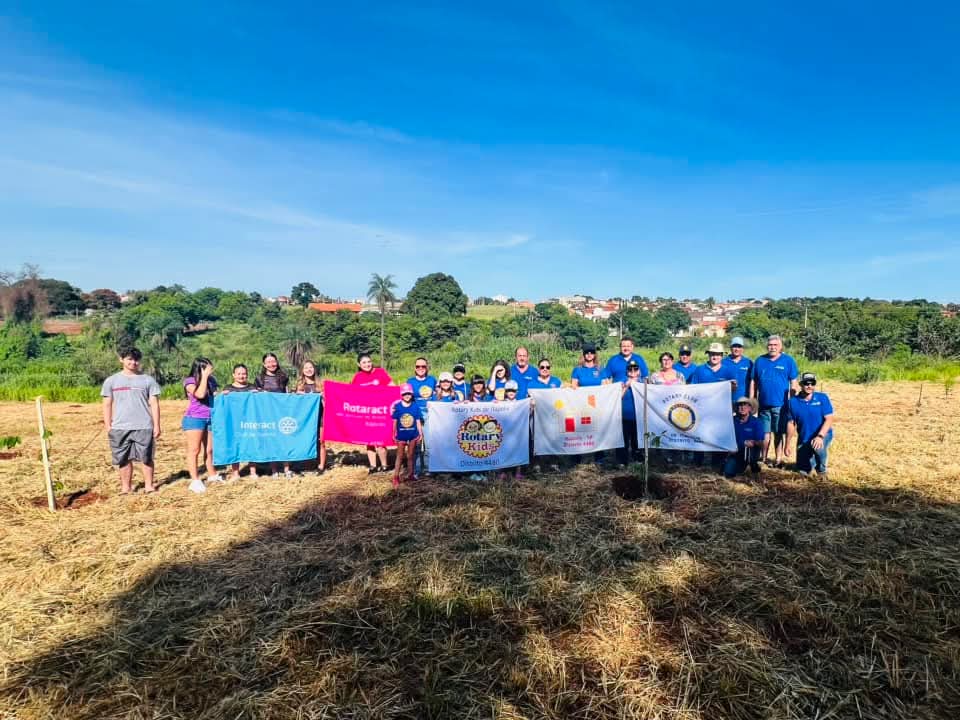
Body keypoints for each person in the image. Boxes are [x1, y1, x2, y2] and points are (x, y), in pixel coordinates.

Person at [101, 347, 161, 495]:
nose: (133, 362)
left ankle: (149, 486)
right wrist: (108, 425)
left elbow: (154, 403)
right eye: (129, 359)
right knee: (123, 459)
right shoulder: (111, 381)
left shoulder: (148, 380)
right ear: (121, 359)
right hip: (120, 427)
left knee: (146, 458)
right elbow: (107, 404)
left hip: (144, 426)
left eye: (136, 360)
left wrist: (157, 425)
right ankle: (126, 488)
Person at [751, 335, 800, 467]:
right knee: (765, 434)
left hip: (781, 405)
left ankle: (778, 460)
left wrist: (792, 402)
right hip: (763, 405)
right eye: (770, 345)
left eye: (775, 345)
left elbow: (793, 383)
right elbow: (753, 381)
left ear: (780, 347)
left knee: (778, 433)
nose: (772, 347)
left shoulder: (788, 361)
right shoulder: (760, 361)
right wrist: (752, 400)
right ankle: (764, 458)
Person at [688, 343, 738, 468]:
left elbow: (734, 389)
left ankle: (717, 463)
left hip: (720, 411)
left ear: (722, 356)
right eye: (712, 354)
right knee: (700, 436)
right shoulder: (699, 370)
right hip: (702, 410)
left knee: (718, 436)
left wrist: (733, 387)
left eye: (717, 354)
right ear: (708, 355)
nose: (714, 357)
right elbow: (693, 389)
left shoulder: (728, 371)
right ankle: (697, 462)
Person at [182, 357, 222, 494]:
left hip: (210, 418)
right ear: (201, 368)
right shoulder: (190, 381)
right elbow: (200, 394)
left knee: (210, 449)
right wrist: (204, 377)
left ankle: (212, 475)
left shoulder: (212, 380)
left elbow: (215, 396)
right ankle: (195, 480)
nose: (211, 371)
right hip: (195, 418)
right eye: (208, 368)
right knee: (194, 450)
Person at [785, 372, 835, 477]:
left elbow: (829, 419)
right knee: (802, 471)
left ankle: (821, 471)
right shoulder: (792, 402)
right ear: (800, 384)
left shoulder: (822, 398)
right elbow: (791, 424)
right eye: (806, 383)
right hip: (804, 437)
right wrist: (787, 444)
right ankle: (810, 461)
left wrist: (820, 436)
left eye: (812, 383)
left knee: (818, 447)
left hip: (822, 434)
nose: (809, 386)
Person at [351, 352, 394, 473]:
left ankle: (385, 465)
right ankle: (373, 466)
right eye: (364, 362)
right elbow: (351, 394)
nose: (367, 364)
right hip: (366, 413)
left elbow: (392, 387)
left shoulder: (380, 372)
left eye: (369, 362)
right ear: (359, 364)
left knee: (380, 440)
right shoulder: (357, 377)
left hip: (380, 412)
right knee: (369, 441)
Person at [255, 353, 292, 478]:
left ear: (277, 362)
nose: (271, 364)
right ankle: (274, 469)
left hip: (282, 413)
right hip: (267, 414)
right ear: (264, 364)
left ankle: (287, 468)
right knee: (271, 440)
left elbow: (288, 394)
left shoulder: (283, 376)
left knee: (285, 440)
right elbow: (256, 397)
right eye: (268, 362)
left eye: (273, 361)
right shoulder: (259, 379)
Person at [220, 364, 259, 481]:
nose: (242, 376)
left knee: (251, 444)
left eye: (244, 374)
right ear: (234, 375)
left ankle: (253, 472)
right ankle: (236, 473)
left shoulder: (252, 387)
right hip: (234, 423)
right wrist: (223, 396)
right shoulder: (228, 388)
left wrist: (257, 394)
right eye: (239, 374)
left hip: (250, 421)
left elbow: (259, 403)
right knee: (234, 445)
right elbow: (223, 406)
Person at [295, 360, 327, 474]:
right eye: (306, 368)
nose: (309, 370)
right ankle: (308, 464)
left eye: (311, 367)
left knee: (322, 442)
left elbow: (327, 403)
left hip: (321, 416)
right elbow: (296, 405)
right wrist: (299, 395)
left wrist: (323, 398)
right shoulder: (300, 386)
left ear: (314, 369)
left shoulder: (321, 384)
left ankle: (321, 466)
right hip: (307, 419)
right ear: (302, 371)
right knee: (307, 440)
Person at [407, 357, 436, 475]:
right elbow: (406, 398)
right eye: (418, 366)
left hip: (430, 413)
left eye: (423, 366)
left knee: (429, 442)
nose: (420, 369)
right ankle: (416, 469)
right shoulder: (410, 381)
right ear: (414, 368)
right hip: (415, 414)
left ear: (427, 367)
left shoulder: (432, 380)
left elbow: (438, 394)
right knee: (416, 442)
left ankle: (428, 467)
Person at [390, 383, 423, 486]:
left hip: (413, 434)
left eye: (409, 394)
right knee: (399, 456)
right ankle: (396, 477)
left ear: (412, 394)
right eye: (405, 394)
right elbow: (395, 421)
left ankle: (410, 474)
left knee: (410, 456)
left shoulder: (415, 406)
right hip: (401, 436)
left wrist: (420, 433)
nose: (407, 396)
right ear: (401, 395)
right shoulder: (398, 406)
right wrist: (393, 433)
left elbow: (417, 421)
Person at [724, 397, 764, 479]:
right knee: (728, 473)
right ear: (737, 408)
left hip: (751, 452)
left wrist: (753, 443)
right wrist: (743, 443)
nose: (742, 407)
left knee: (752, 457)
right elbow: (726, 438)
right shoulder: (731, 421)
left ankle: (753, 464)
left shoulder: (757, 422)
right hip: (735, 452)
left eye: (745, 405)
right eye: (740, 405)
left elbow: (760, 441)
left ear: (750, 408)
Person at [498, 379, 526, 480]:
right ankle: (502, 471)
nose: (511, 392)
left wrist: (531, 405)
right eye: (509, 390)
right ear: (505, 391)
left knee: (519, 450)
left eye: (513, 391)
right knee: (503, 450)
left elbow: (528, 412)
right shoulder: (500, 404)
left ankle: (517, 472)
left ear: (517, 392)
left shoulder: (521, 403)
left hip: (517, 432)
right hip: (504, 432)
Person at [617, 360, 642, 465]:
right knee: (623, 440)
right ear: (627, 371)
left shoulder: (643, 382)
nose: (632, 371)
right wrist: (626, 386)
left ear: (639, 371)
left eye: (635, 369)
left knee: (637, 440)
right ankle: (622, 461)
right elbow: (617, 398)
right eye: (630, 369)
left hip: (639, 417)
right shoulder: (621, 382)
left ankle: (637, 459)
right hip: (624, 416)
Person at [724, 337, 753, 408]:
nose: (736, 349)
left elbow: (753, 382)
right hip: (727, 401)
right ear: (730, 348)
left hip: (744, 401)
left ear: (743, 349)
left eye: (739, 347)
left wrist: (751, 400)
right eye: (734, 346)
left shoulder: (748, 362)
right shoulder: (723, 362)